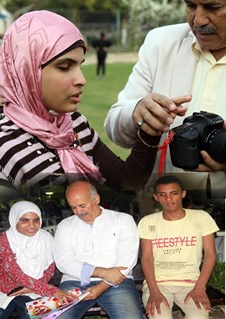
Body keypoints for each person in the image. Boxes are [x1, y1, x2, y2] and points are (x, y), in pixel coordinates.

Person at [0, 10, 158, 197]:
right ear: (27, 70)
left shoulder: (75, 123)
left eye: (80, 65)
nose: (81, 79)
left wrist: (149, 128)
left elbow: (126, 182)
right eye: (65, 67)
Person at [103, 0, 225, 203]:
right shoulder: (160, 42)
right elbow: (115, 128)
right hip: (162, 218)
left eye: (213, 8)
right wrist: (138, 111)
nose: (198, 20)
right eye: (191, 6)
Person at [54, 181, 144, 319]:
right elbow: (63, 262)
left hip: (118, 282)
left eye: (82, 206)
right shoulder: (65, 226)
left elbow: (127, 260)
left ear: (96, 199)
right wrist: (102, 272)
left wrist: (101, 286)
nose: (79, 212)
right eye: (73, 208)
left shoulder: (122, 220)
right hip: (74, 282)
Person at [0, 201, 75, 319]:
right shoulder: (1, 241)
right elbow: (16, 274)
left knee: (41, 316)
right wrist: (53, 291)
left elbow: (50, 268)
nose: (32, 225)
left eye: (36, 220)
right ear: (14, 219)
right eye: (24, 220)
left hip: (34, 288)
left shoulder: (45, 238)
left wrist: (31, 288)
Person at [138, 175, 219, 319]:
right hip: (158, 283)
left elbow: (210, 254)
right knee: (160, 316)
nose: (168, 199)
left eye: (174, 193)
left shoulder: (201, 217)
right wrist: (154, 291)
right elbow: (147, 258)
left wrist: (200, 287)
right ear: (156, 197)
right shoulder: (147, 222)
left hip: (191, 283)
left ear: (183, 194)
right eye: (162, 195)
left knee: (199, 317)